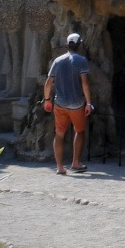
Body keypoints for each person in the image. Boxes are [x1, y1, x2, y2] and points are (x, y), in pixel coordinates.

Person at [44, 34, 93, 175]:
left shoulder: (58, 61)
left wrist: (47, 100)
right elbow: (85, 83)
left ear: (67, 44)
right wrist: (88, 103)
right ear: (79, 45)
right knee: (80, 131)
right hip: (77, 103)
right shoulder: (81, 60)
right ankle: (76, 162)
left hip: (60, 103)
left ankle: (60, 167)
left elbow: (48, 83)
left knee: (59, 134)